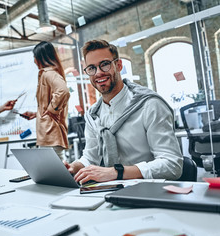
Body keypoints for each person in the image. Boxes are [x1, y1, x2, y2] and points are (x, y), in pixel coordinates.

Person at [64, 39, 183, 183]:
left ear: (118, 65)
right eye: (91, 68)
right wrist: (73, 167)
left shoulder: (150, 105)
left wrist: (116, 173)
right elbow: (90, 157)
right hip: (110, 191)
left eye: (105, 64)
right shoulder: (92, 115)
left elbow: (172, 164)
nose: (99, 73)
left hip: (150, 190)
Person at [22, 41, 70, 160]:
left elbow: (63, 91)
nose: (34, 60)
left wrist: (51, 110)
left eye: (34, 57)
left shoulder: (49, 73)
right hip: (47, 135)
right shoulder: (48, 74)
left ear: (40, 58)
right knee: (53, 170)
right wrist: (36, 114)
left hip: (50, 134)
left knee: (56, 171)